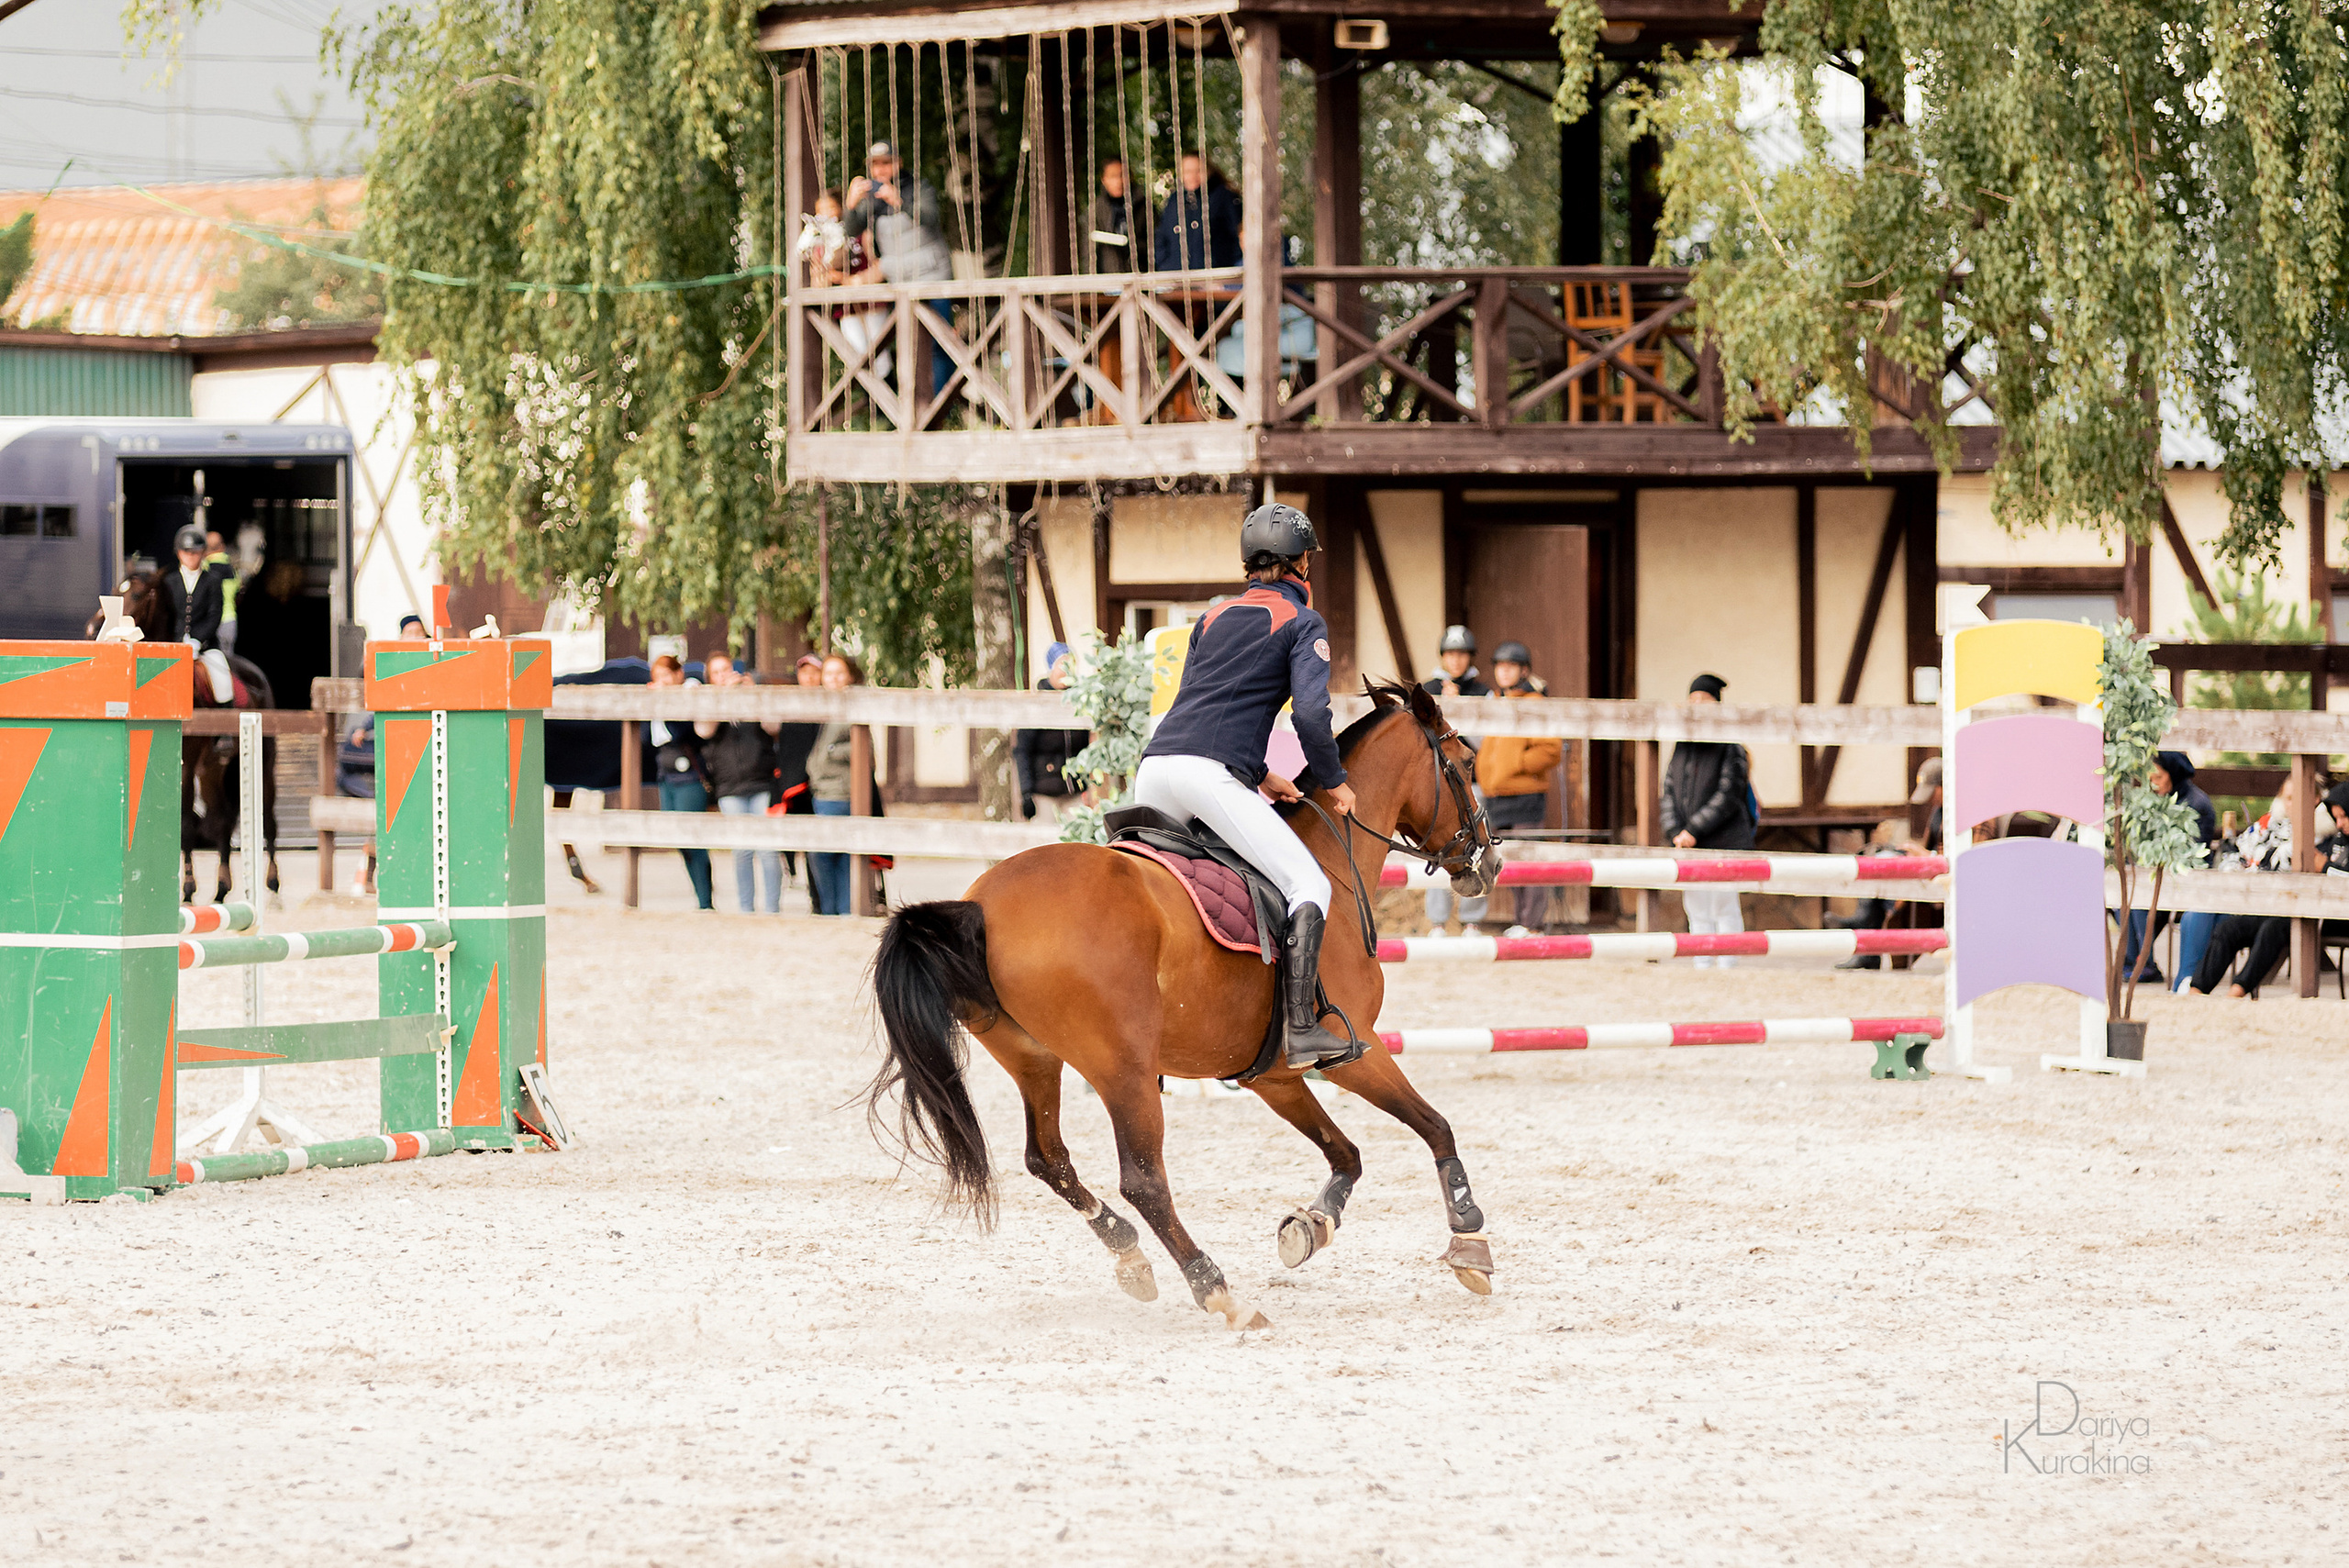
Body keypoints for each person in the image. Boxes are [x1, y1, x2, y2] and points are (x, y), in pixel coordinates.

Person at [1135, 501, 1361, 1071]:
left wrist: (1261, 775)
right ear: (1301, 563)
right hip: (1208, 777)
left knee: (1149, 890)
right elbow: (1310, 716)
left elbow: (1199, 706)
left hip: (1155, 768)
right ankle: (1301, 1030)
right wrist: (1333, 781)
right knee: (1308, 883)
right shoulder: (1303, 622)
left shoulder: (1210, 619)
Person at [1660, 673, 1755, 967]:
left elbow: (1728, 794)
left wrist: (1693, 829)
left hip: (1723, 839)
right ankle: (1702, 965)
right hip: (1688, 842)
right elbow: (1669, 789)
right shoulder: (1683, 743)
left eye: (1704, 698)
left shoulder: (1730, 745)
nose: (1697, 704)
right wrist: (1675, 830)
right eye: (1693, 699)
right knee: (1696, 907)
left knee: (1724, 905)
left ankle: (1727, 966)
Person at [843, 141, 953, 395]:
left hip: (933, 277)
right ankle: (916, 406)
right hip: (900, 282)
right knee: (908, 346)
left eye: (886, 163)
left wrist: (899, 201)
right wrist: (850, 206)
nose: (880, 170)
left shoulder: (919, 187)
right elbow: (851, 232)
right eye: (875, 165)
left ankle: (943, 406)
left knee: (940, 344)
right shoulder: (870, 200)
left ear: (898, 163)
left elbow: (931, 217)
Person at [1475, 640, 1560, 935]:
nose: (1504, 672)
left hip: (1525, 794)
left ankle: (1532, 924)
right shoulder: (1498, 702)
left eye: (1510, 666)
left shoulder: (1534, 703)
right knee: (1506, 860)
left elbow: (1551, 750)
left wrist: (1515, 764)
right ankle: (1520, 920)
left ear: (1524, 671)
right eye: (1500, 666)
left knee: (1530, 859)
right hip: (1496, 795)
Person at [2188, 780, 2300, 996]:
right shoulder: (2265, 825)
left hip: (2291, 907)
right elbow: (2237, 851)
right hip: (2255, 901)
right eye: (2288, 798)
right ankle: (2197, 990)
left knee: (2271, 930)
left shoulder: (2320, 831)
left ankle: (2237, 991)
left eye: (2298, 798)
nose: (2292, 803)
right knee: (2227, 929)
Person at [2116, 750, 2219, 985]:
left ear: (2174, 775)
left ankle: (2144, 964)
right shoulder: (2156, 801)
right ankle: (2134, 963)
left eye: (2158, 777)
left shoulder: (2197, 803)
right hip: (2158, 876)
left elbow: (2192, 851)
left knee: (2140, 899)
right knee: (2122, 898)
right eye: (2150, 779)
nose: (2153, 784)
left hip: (2187, 879)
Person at [694, 654, 784, 914]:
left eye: (726, 669)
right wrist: (722, 696)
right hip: (729, 787)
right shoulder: (709, 702)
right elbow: (704, 730)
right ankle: (746, 909)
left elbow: (773, 726)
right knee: (742, 851)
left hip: (762, 783)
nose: (724, 675)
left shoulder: (753, 694)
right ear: (710, 679)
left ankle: (772, 909)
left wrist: (753, 695)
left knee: (768, 850)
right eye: (717, 672)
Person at [1420, 626, 1492, 929]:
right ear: (1443, 656)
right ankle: (1438, 922)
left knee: (1478, 846)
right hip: (1436, 783)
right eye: (1451, 654)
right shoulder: (1427, 689)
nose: (1456, 660)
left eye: (1462, 654)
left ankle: (1472, 920)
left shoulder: (1484, 692)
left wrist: (1460, 708)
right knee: (1437, 848)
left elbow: (1485, 742)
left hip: (1471, 782)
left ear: (1470, 657)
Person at [647, 654, 714, 911]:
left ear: (678, 674)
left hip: (689, 774)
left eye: (666, 675)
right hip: (666, 773)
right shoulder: (658, 703)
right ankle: (701, 897)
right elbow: (646, 739)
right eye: (657, 677)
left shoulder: (689, 694)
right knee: (678, 838)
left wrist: (664, 701)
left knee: (693, 837)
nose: (662, 681)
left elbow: (680, 729)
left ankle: (705, 901)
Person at [805, 653, 864, 917]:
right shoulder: (822, 706)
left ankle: (836, 911)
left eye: (839, 673)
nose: (833, 679)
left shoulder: (852, 705)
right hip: (821, 789)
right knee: (832, 854)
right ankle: (839, 910)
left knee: (826, 854)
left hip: (839, 790)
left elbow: (864, 749)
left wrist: (831, 751)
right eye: (828, 674)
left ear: (849, 676)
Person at [1016, 641, 1093, 824]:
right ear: (1051, 667)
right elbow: (1022, 751)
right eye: (1062, 664)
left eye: (1070, 664)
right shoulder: (1037, 703)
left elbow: (1086, 747)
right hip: (1044, 793)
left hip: (1073, 792)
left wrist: (1087, 786)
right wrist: (1026, 793)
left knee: (1078, 838)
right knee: (1044, 840)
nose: (1066, 670)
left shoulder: (1078, 701)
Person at [158, 524, 234, 703]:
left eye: (196, 552)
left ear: (203, 553)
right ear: (179, 553)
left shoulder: (213, 580)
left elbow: (214, 615)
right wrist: (177, 640)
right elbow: (165, 615)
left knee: (223, 685)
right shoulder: (169, 581)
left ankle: (225, 718)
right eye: (186, 552)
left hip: (204, 647)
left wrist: (197, 640)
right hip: (174, 646)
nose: (191, 556)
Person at [771, 652, 826, 902]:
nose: (810, 677)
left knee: (819, 845)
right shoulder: (789, 704)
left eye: (814, 672)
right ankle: (809, 894)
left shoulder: (830, 703)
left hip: (820, 783)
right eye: (805, 672)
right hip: (795, 784)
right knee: (798, 840)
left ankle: (820, 899)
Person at [1153, 153, 1241, 272]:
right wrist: (1166, 266)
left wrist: (1228, 267)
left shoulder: (1224, 197)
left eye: (1199, 171)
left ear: (1208, 171)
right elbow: (1162, 238)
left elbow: (1238, 234)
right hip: (1177, 276)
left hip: (1217, 276)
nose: (1193, 176)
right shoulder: (1174, 201)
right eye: (1188, 172)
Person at [202, 529, 240, 655]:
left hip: (210, 622)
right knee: (228, 661)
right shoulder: (232, 569)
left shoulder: (204, 569)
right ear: (222, 547)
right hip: (229, 620)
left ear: (204, 550)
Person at [1092, 160, 1132, 273]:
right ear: (1104, 180)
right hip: (1107, 277)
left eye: (1122, 175)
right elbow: (1088, 250)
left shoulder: (1142, 206)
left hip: (1140, 277)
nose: (1119, 181)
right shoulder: (1096, 210)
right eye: (1113, 176)